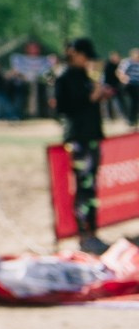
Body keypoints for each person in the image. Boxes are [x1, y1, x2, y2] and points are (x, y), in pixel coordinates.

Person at [54, 37, 110, 255]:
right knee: (84, 187)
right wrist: (91, 97)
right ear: (74, 54)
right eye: (85, 56)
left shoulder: (86, 75)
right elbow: (63, 107)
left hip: (92, 136)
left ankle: (92, 232)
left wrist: (100, 94)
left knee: (91, 187)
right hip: (78, 139)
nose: (87, 60)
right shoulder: (64, 77)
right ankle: (84, 235)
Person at [119, 48, 139, 130]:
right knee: (132, 102)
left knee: (136, 103)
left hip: (137, 84)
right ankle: (131, 120)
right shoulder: (128, 62)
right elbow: (121, 72)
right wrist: (124, 79)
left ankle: (134, 120)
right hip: (130, 85)